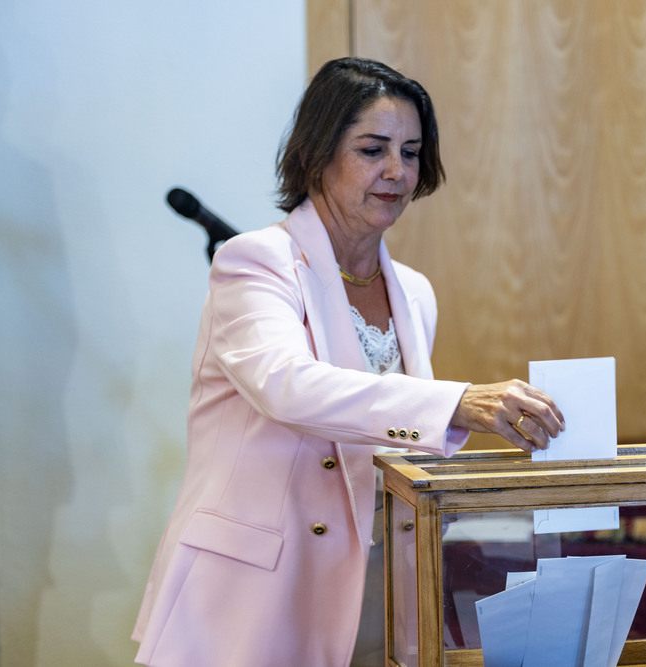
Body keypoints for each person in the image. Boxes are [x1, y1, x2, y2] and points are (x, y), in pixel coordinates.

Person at [132, 57, 565, 667]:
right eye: (372, 149)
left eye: (411, 152)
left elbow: (392, 440)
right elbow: (288, 387)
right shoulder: (254, 262)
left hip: (380, 578)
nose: (396, 171)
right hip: (258, 584)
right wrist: (457, 402)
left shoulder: (413, 290)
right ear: (317, 154)